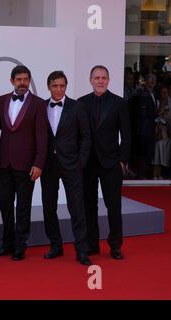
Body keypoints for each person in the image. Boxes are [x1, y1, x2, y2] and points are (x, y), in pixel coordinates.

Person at [0, 65, 48, 260]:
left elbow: (42, 136)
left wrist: (39, 163)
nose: (22, 83)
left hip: (27, 165)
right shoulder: (1, 101)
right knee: (5, 205)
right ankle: (6, 243)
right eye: (19, 79)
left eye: (25, 79)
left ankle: (20, 246)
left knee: (23, 207)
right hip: (4, 163)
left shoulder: (39, 104)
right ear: (12, 81)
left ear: (29, 81)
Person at [78, 65, 131, 260]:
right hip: (88, 163)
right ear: (90, 80)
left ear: (108, 80)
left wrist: (122, 161)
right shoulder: (81, 103)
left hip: (111, 162)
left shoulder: (119, 103)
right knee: (88, 206)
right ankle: (92, 244)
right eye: (97, 77)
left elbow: (127, 136)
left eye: (104, 78)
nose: (100, 81)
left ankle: (115, 246)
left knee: (113, 206)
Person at [40, 71, 92, 265]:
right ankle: (55, 245)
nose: (59, 89)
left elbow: (86, 137)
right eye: (55, 86)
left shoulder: (78, 107)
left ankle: (82, 250)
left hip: (72, 165)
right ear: (49, 86)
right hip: (48, 165)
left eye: (62, 86)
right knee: (49, 206)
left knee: (77, 207)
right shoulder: (41, 107)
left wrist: (81, 162)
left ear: (66, 87)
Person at [152, 86, 171, 179]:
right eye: (163, 92)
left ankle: (159, 174)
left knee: (163, 155)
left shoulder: (170, 103)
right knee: (157, 154)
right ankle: (155, 175)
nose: (164, 94)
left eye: (166, 92)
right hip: (158, 131)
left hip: (166, 133)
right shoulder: (157, 102)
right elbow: (155, 116)